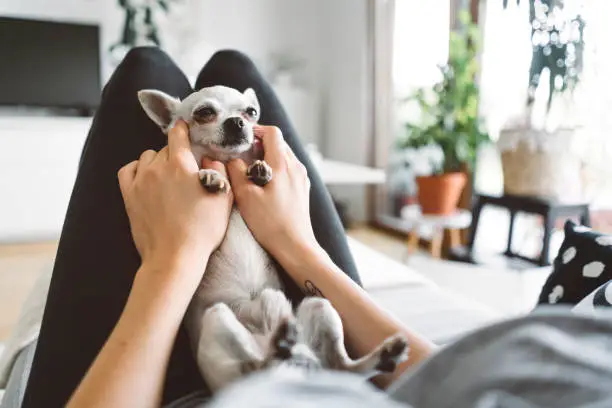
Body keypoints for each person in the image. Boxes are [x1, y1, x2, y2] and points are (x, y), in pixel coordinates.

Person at [12, 48, 612, 408]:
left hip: (186, 366)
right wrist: (297, 246)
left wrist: (171, 260)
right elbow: (458, 381)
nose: (243, 124)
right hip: (330, 360)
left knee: (150, 65)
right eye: (218, 116)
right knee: (232, 70)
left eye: (246, 115)